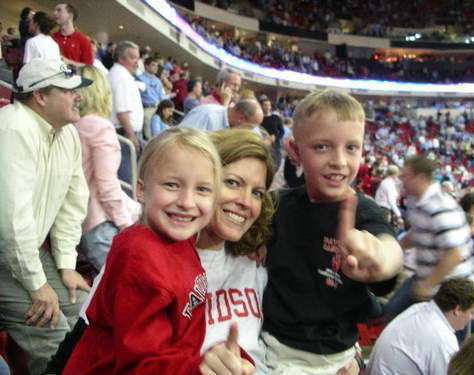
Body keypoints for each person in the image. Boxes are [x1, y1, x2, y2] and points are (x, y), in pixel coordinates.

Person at [42, 129, 274, 375]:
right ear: (141, 189)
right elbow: (138, 361)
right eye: (233, 183)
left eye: (257, 193)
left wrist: (232, 359)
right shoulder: (140, 255)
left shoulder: (184, 242)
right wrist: (199, 368)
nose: (187, 201)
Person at [262, 89, 403, 375]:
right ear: (295, 150)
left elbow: (387, 248)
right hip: (270, 350)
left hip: (335, 359)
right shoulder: (275, 206)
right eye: (322, 147)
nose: (339, 160)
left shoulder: (364, 212)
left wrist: (382, 260)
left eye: (351, 147)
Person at [0, 58, 92, 375]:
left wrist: (66, 265)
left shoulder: (67, 134)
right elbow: (11, 221)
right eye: (69, 90)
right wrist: (37, 284)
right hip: (5, 257)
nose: (78, 96)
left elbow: (72, 204)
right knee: (54, 333)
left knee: (85, 313)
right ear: (40, 96)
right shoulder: (11, 128)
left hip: (27, 253)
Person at [197, 129, 275, 374]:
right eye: (232, 182)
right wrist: (191, 366)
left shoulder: (255, 259)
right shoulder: (146, 257)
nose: (245, 201)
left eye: (257, 193)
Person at [383, 156, 474, 324]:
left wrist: (427, 284)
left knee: (451, 339)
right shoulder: (421, 202)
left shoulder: (439, 205)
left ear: (419, 177)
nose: (401, 180)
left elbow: (454, 253)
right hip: (429, 277)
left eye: (405, 176)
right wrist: (391, 248)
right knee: (393, 313)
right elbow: (418, 232)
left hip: (449, 286)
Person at [75, 65, 140, 272]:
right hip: (100, 224)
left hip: (84, 222)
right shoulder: (100, 126)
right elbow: (107, 187)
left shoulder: (77, 124)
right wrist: (126, 226)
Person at [366, 278, 474, 375]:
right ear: (457, 309)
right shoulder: (443, 339)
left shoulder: (420, 308)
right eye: (472, 312)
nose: (472, 318)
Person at [107, 40, 144, 187]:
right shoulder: (120, 76)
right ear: (120, 58)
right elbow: (122, 111)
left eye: (137, 57)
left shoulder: (121, 74)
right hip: (124, 134)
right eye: (132, 57)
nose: (137, 62)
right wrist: (131, 136)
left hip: (126, 133)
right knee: (126, 181)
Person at [179, 99, 263, 132]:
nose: (250, 131)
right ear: (241, 118)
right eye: (250, 127)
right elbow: (178, 141)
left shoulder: (236, 128)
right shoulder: (205, 115)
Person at [138, 57, 168, 139]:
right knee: (147, 120)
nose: (156, 68)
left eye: (157, 66)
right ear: (146, 66)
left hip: (157, 107)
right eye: (153, 65)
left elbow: (161, 96)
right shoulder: (139, 78)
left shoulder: (157, 81)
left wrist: (169, 97)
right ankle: (149, 142)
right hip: (146, 107)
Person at [374, 165, 403, 229]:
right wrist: (399, 215)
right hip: (384, 210)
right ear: (395, 174)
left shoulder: (385, 181)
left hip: (380, 207)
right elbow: (391, 201)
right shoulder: (389, 183)